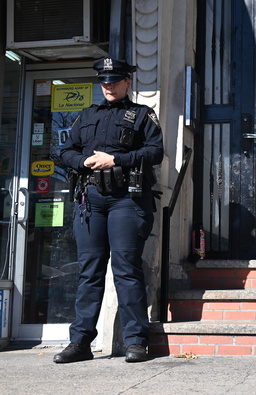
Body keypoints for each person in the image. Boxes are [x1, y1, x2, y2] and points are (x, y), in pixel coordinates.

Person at [54, 58, 164, 363]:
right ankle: (80, 343)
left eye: (115, 81)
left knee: (127, 269)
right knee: (89, 272)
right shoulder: (86, 115)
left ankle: (136, 341)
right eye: (104, 81)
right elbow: (65, 151)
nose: (109, 86)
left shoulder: (142, 115)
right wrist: (84, 162)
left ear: (127, 81)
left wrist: (116, 160)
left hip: (126, 199)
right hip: (90, 200)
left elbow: (156, 152)